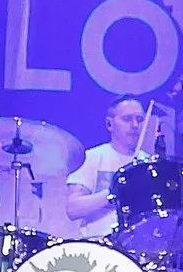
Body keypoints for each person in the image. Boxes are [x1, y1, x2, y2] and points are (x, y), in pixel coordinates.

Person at [62, 97, 153, 241]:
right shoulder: (91, 157)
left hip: (139, 245)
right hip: (98, 244)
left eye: (139, 119)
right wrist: (114, 193)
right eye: (127, 119)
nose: (135, 125)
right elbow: (73, 209)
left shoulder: (148, 164)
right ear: (109, 124)